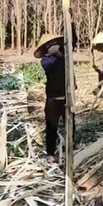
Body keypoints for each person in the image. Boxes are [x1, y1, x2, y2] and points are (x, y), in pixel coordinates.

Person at [34, 34, 75, 164]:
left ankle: (70, 148)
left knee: (70, 124)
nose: (55, 46)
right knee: (52, 126)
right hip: (53, 99)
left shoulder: (64, 57)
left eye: (56, 43)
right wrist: (59, 54)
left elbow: (73, 41)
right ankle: (51, 153)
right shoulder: (47, 61)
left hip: (67, 96)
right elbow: (55, 67)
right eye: (51, 44)